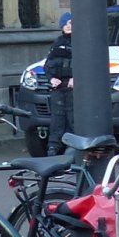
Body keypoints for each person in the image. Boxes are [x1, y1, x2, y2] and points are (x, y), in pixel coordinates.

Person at [43, 11, 75, 154]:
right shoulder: (57, 43)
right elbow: (48, 65)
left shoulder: (81, 42)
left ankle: (73, 148)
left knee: (72, 118)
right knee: (57, 119)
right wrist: (51, 78)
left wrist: (77, 79)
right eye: (66, 23)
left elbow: (86, 64)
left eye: (71, 23)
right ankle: (53, 149)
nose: (69, 26)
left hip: (73, 88)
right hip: (58, 87)